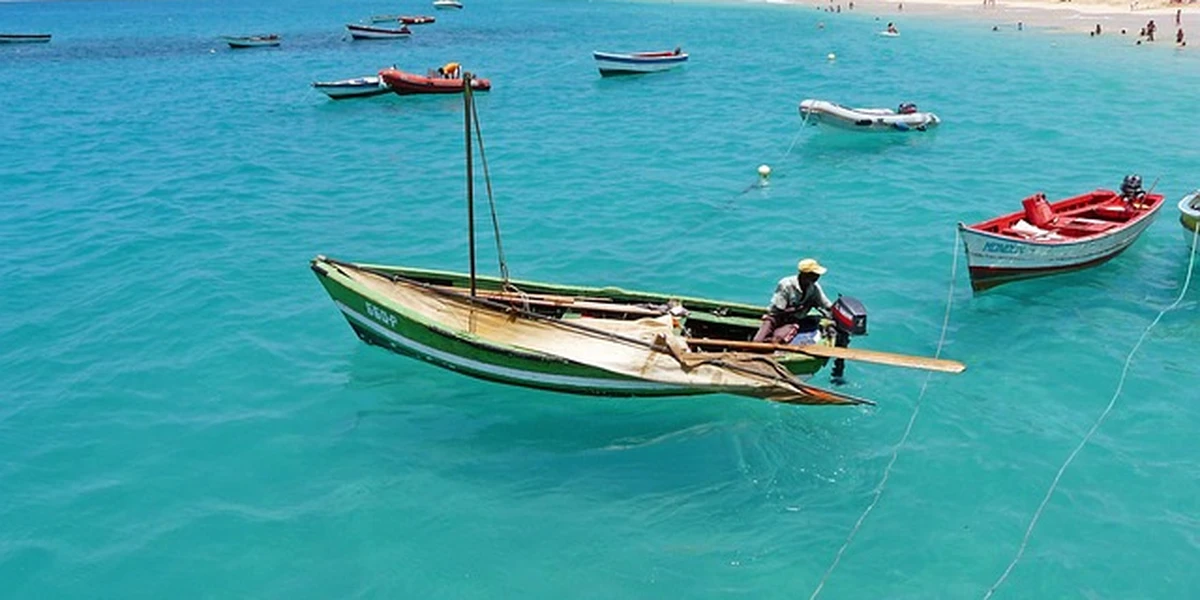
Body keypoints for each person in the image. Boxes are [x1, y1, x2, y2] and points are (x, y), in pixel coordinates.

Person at [752, 259, 833, 344]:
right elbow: (779, 310)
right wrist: (799, 308)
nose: (817, 277)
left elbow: (826, 304)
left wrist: (834, 312)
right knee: (757, 341)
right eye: (814, 274)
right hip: (775, 318)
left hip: (792, 321)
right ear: (804, 275)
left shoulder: (814, 288)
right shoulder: (786, 284)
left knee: (777, 339)